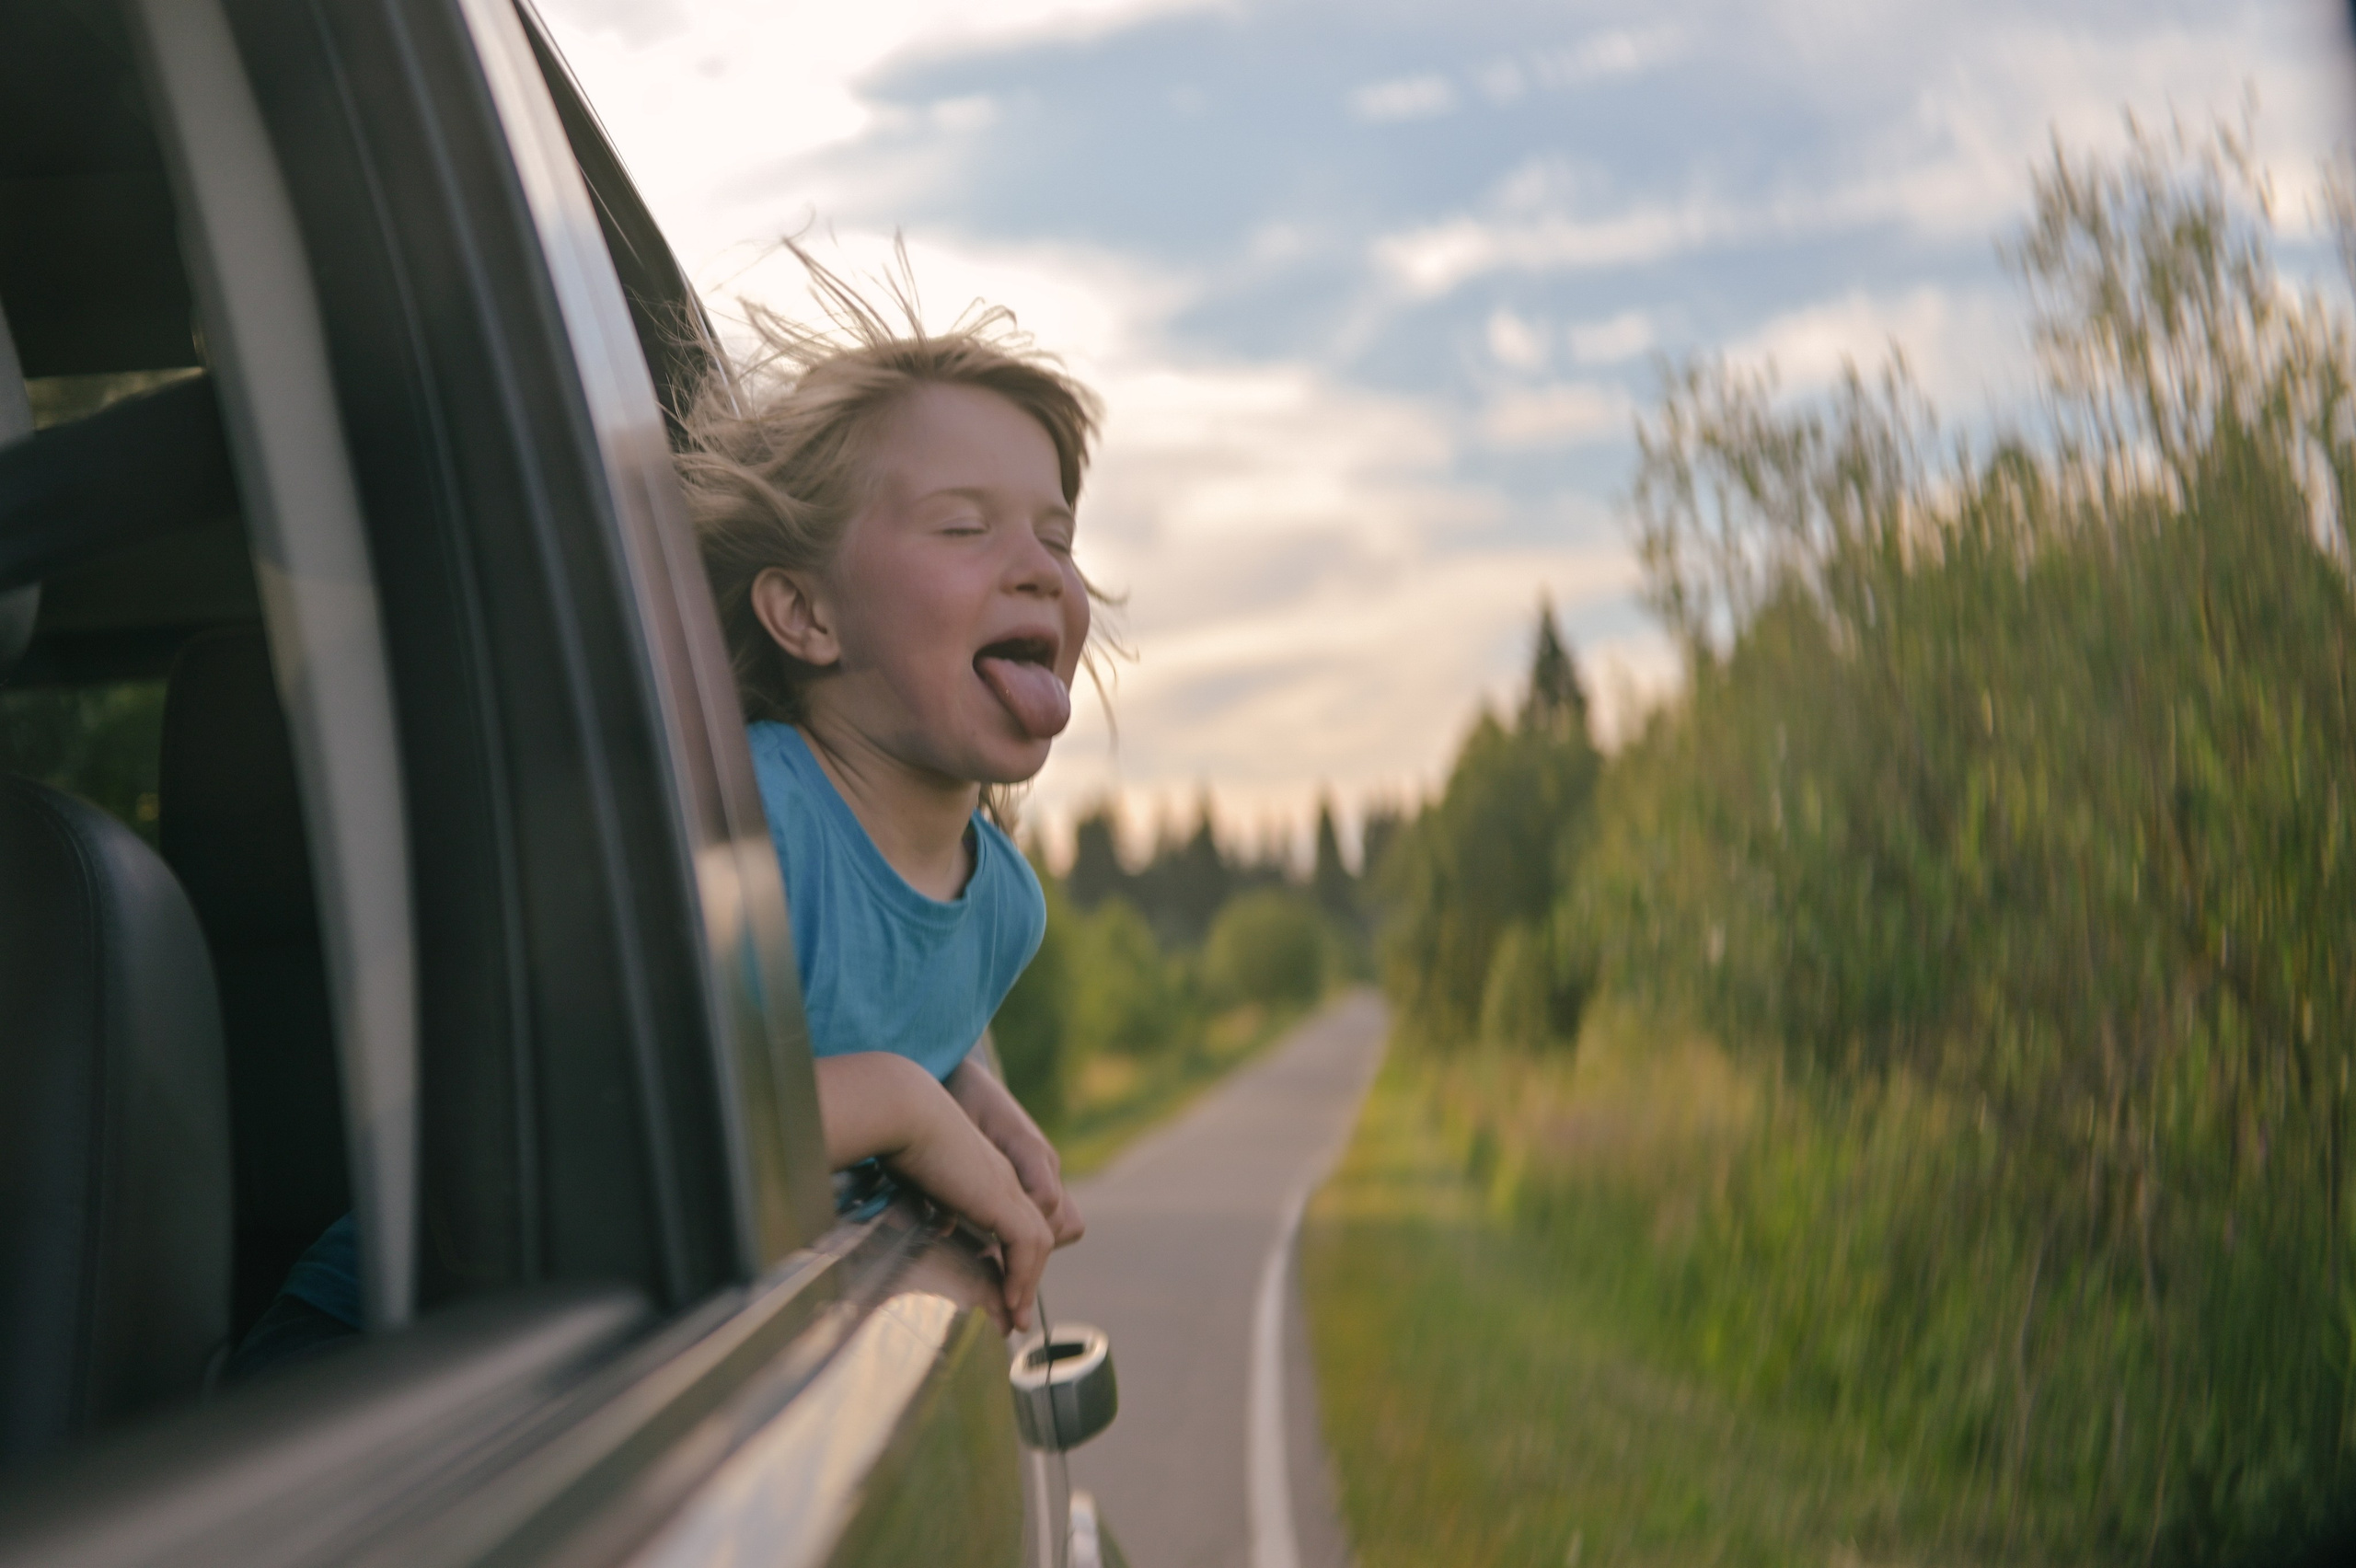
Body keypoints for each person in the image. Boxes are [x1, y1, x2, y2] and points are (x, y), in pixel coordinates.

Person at [676, 248, 1105, 1333]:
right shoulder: (748, 830)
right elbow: (639, 1120)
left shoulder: (1003, 908)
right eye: (964, 528)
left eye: (1056, 537)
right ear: (808, 617)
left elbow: (840, 1018)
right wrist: (909, 1109)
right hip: (363, 1359)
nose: (1042, 569)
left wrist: (965, 1089)